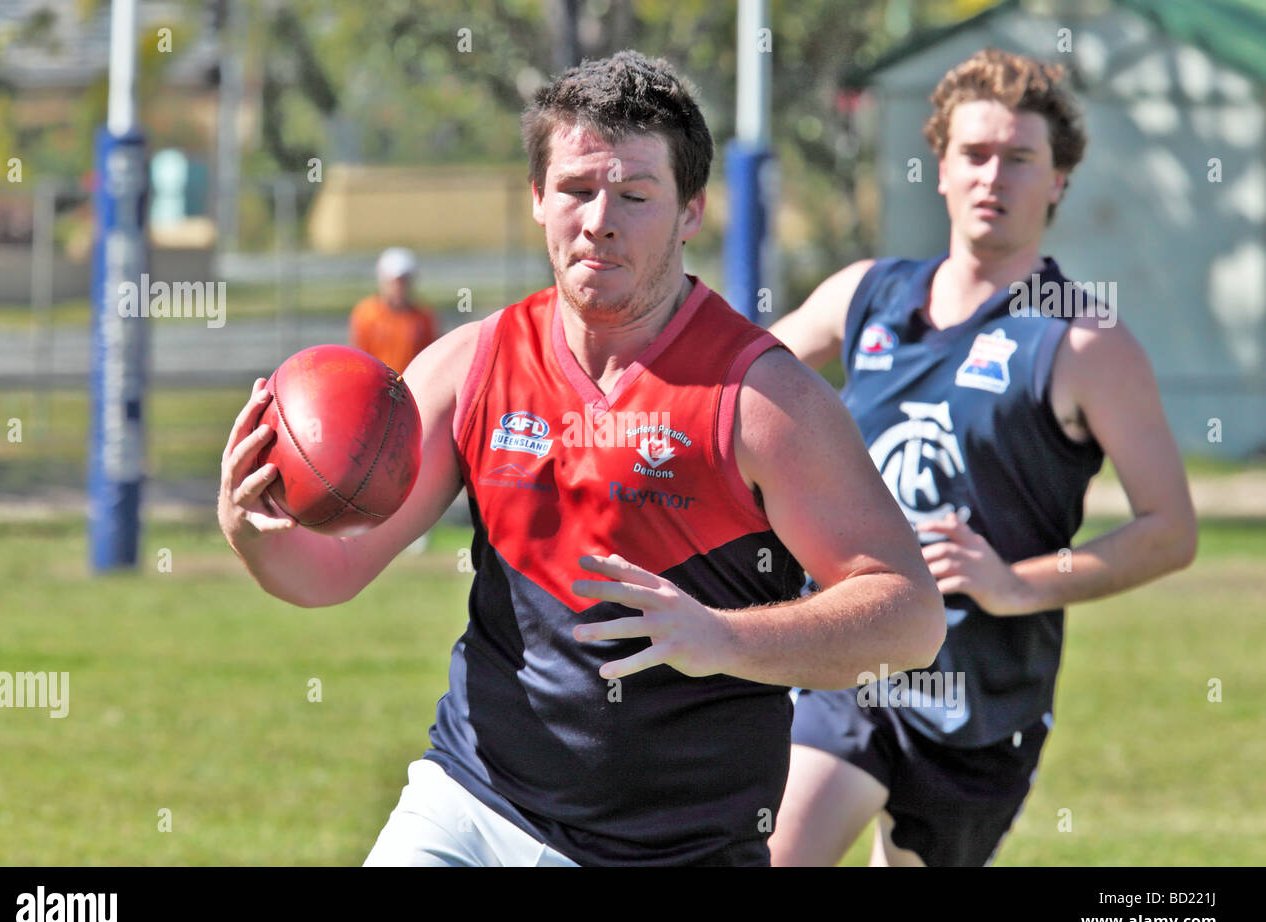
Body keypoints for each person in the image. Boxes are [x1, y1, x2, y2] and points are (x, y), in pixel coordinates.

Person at [217, 51, 945, 867]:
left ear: (690, 211)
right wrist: (254, 529)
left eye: (635, 196)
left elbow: (911, 617)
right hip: (472, 806)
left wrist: (722, 639)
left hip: (678, 850)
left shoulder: (762, 399)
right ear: (536, 199)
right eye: (574, 190)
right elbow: (330, 573)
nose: (600, 219)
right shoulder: (473, 367)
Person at [766, 48, 1197, 867]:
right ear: (940, 168)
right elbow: (735, 387)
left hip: (981, 702)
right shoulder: (867, 295)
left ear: (1059, 179)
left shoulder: (1084, 338)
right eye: (974, 154)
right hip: (858, 651)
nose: (992, 176)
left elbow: (1170, 530)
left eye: (1019, 157)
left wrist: (1013, 584)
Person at [349, 247, 439, 376]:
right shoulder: (366, 314)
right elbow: (359, 357)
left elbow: (430, 358)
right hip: (376, 383)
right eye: (393, 282)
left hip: (411, 387)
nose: (398, 287)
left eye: (403, 282)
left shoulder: (424, 316)